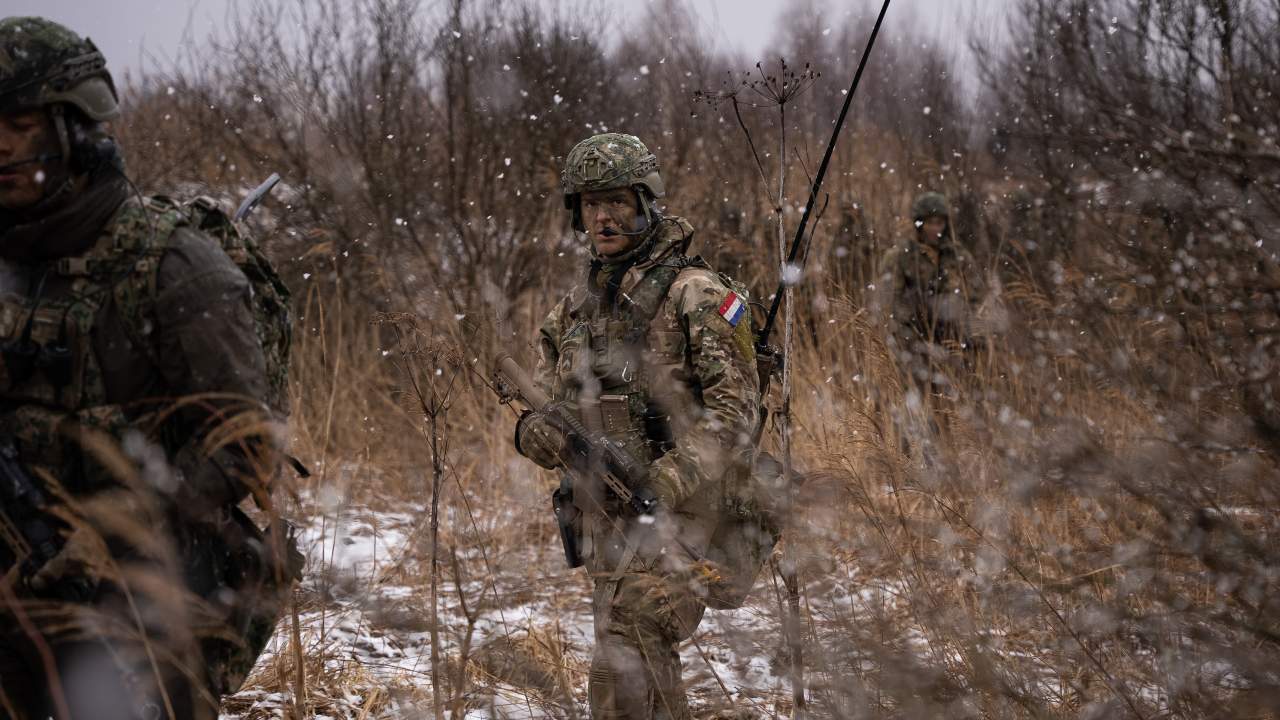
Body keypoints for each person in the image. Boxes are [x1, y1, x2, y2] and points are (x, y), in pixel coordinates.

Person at [0, 16, 297, 719]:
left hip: (140, 608)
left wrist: (110, 527)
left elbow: (245, 446)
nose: (1, 145)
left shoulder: (171, 264)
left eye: (20, 122)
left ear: (76, 125)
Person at [513, 133, 761, 719]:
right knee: (635, 651)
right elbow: (548, 407)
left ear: (647, 201)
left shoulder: (698, 295)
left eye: (618, 202)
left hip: (691, 508)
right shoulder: (573, 311)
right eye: (591, 204)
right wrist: (533, 435)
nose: (603, 217)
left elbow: (734, 416)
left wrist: (665, 483)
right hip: (607, 513)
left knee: (624, 652)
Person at [875, 191, 981, 381]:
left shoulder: (958, 255)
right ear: (919, 224)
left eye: (939, 223)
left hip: (954, 341)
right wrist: (915, 325)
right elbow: (889, 300)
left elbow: (975, 296)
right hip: (914, 341)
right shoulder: (900, 256)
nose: (935, 228)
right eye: (929, 223)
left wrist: (963, 326)